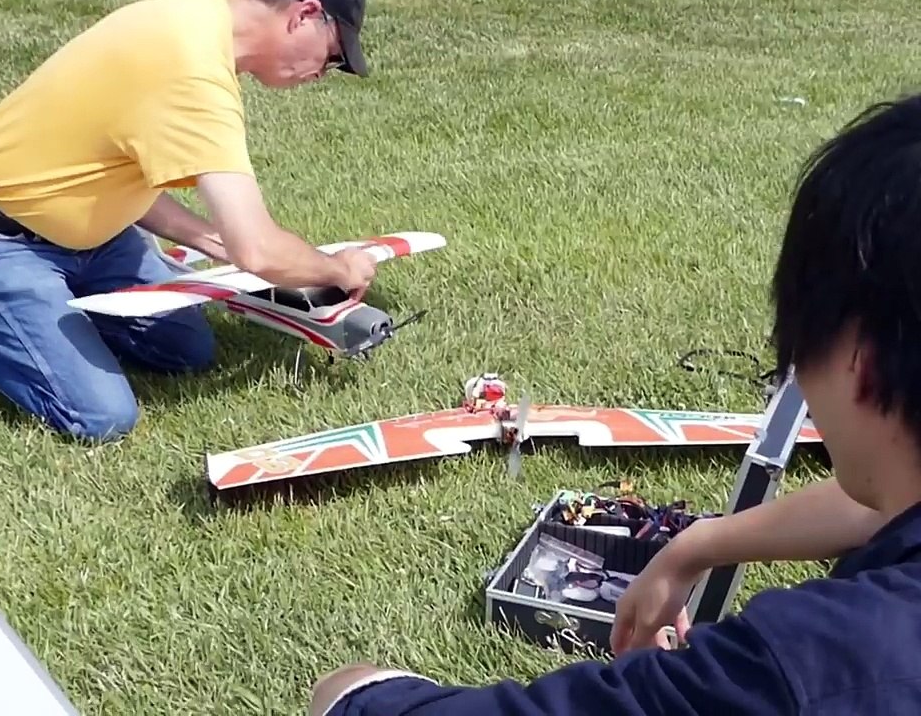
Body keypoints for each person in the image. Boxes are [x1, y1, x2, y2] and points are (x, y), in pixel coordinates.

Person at [308, 92, 921, 715]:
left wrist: (353, 688)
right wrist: (696, 544)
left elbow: (362, 705)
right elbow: (884, 505)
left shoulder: (797, 668)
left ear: (858, 365)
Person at [0, 0, 379, 442]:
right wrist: (340, 270)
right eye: (333, 56)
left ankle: (52, 316)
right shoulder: (191, 69)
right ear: (305, 13)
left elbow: (118, 171)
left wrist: (209, 240)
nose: (322, 72)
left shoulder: (192, 17)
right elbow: (259, 251)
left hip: (89, 229)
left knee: (187, 350)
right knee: (100, 415)